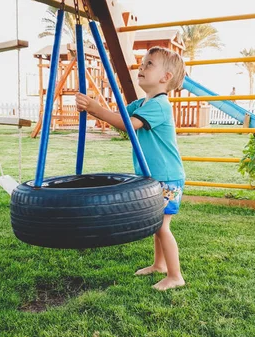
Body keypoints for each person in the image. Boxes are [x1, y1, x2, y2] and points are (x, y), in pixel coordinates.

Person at [75, 46, 186, 291]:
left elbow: (129, 125)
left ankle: (175, 275)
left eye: (149, 64)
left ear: (165, 78)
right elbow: (119, 117)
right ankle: (159, 265)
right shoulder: (143, 102)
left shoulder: (159, 105)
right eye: (142, 62)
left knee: (162, 226)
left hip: (167, 176)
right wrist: (96, 108)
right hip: (155, 177)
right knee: (157, 223)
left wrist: (96, 109)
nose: (141, 67)